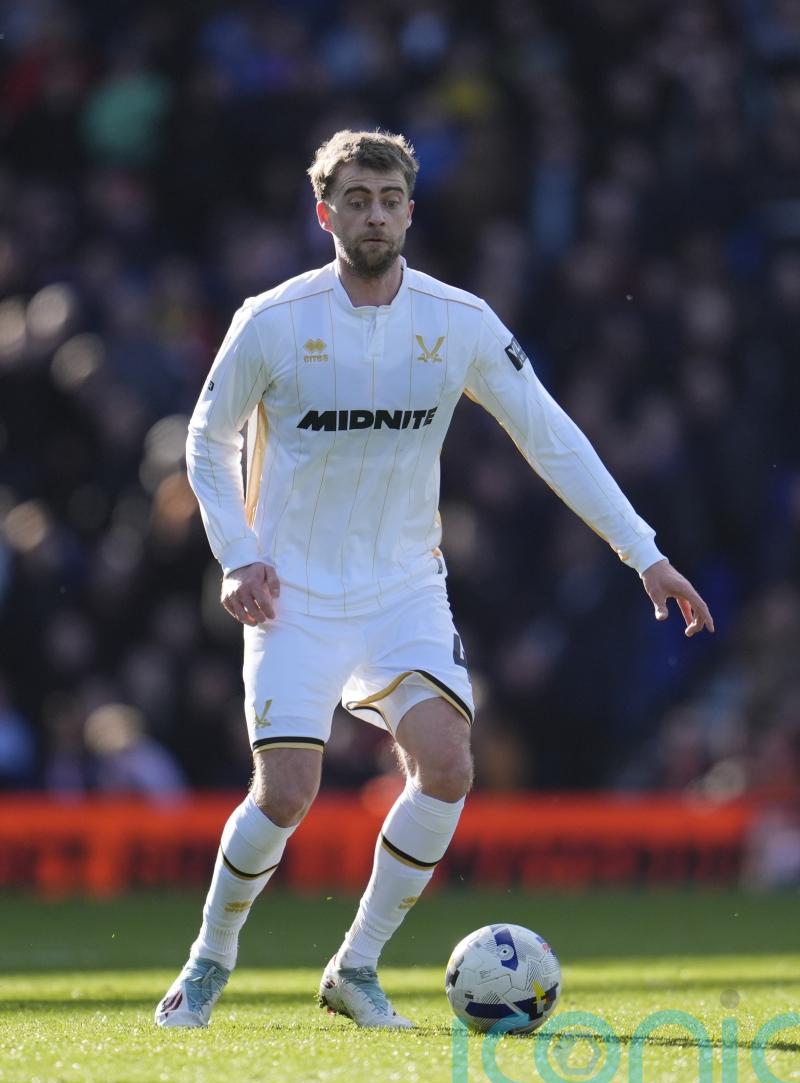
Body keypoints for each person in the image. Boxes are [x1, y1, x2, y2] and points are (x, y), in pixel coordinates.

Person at [154, 129, 714, 1030]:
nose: (374, 213)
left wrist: (641, 549)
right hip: (289, 587)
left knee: (449, 765)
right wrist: (237, 553)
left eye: (389, 198)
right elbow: (204, 440)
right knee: (287, 791)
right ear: (324, 210)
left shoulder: (459, 322)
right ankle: (210, 958)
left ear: (411, 209)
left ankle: (356, 966)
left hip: (403, 585)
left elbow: (550, 433)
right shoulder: (272, 319)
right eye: (356, 198)